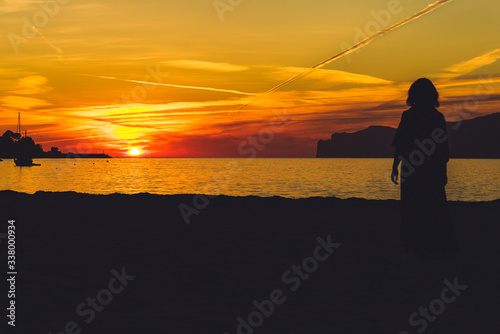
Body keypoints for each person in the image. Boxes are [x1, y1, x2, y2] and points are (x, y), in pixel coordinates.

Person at [391, 78, 457, 257]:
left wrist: (395, 166)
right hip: (431, 169)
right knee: (434, 207)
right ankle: (435, 244)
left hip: (412, 169)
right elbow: (443, 149)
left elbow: (401, 145)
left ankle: (414, 245)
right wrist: (442, 170)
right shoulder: (437, 117)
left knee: (412, 207)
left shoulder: (409, 116)